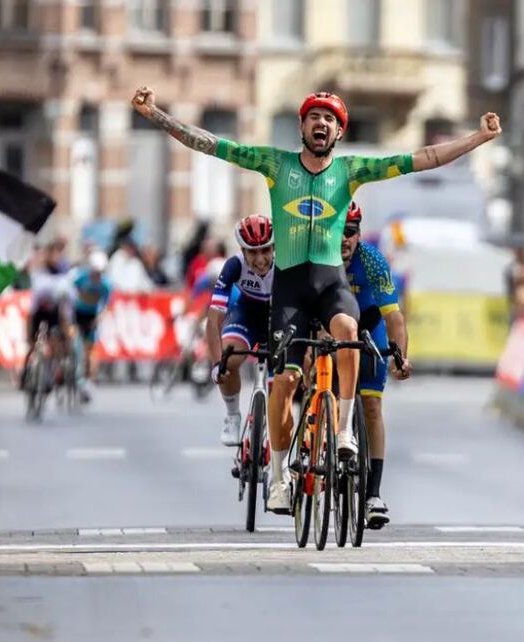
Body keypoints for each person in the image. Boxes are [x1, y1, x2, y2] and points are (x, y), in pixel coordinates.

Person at [133, 85, 501, 513]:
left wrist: (478, 139)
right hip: (289, 288)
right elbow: (214, 146)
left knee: (347, 334)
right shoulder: (276, 164)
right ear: (302, 126)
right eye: (314, 117)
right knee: (285, 381)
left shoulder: (351, 170)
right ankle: (277, 478)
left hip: (330, 284)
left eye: (330, 120)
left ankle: (343, 432)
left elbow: (422, 159)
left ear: (339, 132)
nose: (321, 124)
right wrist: (156, 114)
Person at [340, 202, 411, 529]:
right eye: (338, 230)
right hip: (330, 326)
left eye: (351, 232)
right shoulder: (319, 256)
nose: (344, 239)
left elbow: (394, 317)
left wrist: (400, 356)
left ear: (359, 233)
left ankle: (373, 494)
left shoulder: (371, 260)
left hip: (369, 326)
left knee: (371, 407)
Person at [207, 215, 275, 447]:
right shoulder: (234, 265)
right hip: (247, 314)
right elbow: (214, 318)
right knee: (228, 357)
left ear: (274, 247)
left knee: (288, 381)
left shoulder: (286, 262)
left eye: (265, 250)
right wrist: (217, 364)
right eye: (252, 252)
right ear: (242, 251)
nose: (259, 259)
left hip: (278, 317)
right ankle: (233, 415)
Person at [21, 240, 74, 391]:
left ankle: (52, 371)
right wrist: (28, 332)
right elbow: (32, 306)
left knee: (55, 340)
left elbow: (67, 303)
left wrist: (67, 326)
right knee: (32, 344)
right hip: (38, 311)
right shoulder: (39, 272)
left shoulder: (63, 274)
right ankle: (26, 372)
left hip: (55, 313)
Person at [71, 250, 112, 401]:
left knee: (90, 351)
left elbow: (106, 306)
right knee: (74, 343)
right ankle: (69, 369)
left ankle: (87, 380)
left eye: (100, 274)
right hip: (77, 313)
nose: (97, 277)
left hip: (91, 317)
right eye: (95, 273)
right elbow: (70, 293)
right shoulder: (81, 278)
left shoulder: (106, 285)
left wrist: (99, 318)